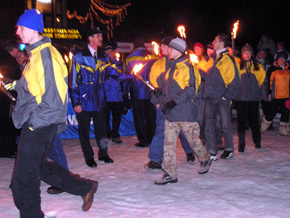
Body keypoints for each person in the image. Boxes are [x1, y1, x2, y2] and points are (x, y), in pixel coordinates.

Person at [1, 9, 98, 217]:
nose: (17, 31)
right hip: (39, 122)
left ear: (33, 29)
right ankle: (84, 188)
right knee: (40, 168)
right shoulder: (35, 53)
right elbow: (35, 86)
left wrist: (33, 123)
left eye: (20, 27)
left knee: (23, 181)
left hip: (39, 124)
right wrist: (14, 85)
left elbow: (53, 101)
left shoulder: (45, 55)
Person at [154, 38, 211, 185]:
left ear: (178, 51)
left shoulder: (189, 68)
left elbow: (191, 89)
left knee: (194, 142)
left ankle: (205, 158)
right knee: (168, 144)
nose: (168, 51)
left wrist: (174, 101)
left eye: (171, 49)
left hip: (186, 114)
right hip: (171, 114)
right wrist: (160, 93)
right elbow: (168, 91)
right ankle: (170, 173)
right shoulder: (171, 68)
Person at [146, 36, 195, 169]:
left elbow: (187, 87)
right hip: (162, 105)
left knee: (182, 131)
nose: (161, 48)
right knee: (161, 130)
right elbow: (153, 85)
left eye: (163, 45)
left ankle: (190, 151)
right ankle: (156, 159)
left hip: (177, 106)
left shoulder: (180, 65)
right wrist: (156, 101)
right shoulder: (157, 65)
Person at [70, 27, 113, 168]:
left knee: (102, 130)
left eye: (101, 35)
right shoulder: (78, 57)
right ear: (91, 38)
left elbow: (109, 75)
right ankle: (88, 156)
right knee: (84, 130)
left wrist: (128, 73)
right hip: (84, 99)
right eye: (98, 35)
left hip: (100, 100)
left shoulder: (104, 57)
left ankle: (103, 153)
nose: (101, 38)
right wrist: (76, 102)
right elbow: (73, 82)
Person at [203, 33, 240, 160]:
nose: (213, 43)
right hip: (209, 97)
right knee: (208, 125)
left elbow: (235, 81)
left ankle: (229, 149)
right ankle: (212, 151)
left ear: (221, 44)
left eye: (215, 40)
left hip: (221, 98)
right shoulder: (212, 59)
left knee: (225, 124)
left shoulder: (228, 60)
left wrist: (226, 96)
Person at [123, 37, 158, 147]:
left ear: (134, 45)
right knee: (151, 117)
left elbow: (125, 77)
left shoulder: (130, 58)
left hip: (137, 92)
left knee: (139, 117)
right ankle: (151, 139)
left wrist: (125, 93)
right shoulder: (154, 56)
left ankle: (143, 140)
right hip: (152, 92)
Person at [234, 44, 266, 152]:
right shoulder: (238, 66)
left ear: (251, 54)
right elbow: (234, 79)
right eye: (245, 53)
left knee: (254, 122)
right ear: (242, 54)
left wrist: (256, 89)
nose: (247, 54)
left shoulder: (258, 66)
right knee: (241, 122)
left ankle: (257, 142)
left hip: (253, 98)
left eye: (249, 52)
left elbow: (262, 79)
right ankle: (241, 145)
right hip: (241, 98)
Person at [260, 51, 290, 136]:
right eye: (280, 59)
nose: (281, 60)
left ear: (285, 60)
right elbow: (268, 82)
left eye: (283, 59)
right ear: (277, 59)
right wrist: (269, 93)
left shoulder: (288, 70)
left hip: (286, 95)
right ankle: (262, 127)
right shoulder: (272, 69)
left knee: (285, 112)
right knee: (272, 112)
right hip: (275, 95)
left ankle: (284, 130)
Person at [103, 42, 123, 144]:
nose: (109, 54)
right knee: (105, 117)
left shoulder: (119, 63)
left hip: (117, 95)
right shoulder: (102, 64)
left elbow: (120, 75)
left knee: (117, 117)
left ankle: (115, 134)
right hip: (106, 95)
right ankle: (107, 134)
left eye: (111, 52)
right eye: (107, 52)